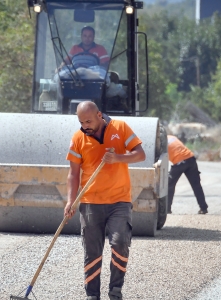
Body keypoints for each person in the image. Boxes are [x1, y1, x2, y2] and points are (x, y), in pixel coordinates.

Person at [65, 101, 145, 300]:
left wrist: (118, 158)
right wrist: (70, 200)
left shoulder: (120, 127)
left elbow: (140, 155)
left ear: (99, 115)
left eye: (89, 121)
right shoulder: (78, 138)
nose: (85, 126)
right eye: (81, 122)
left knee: (119, 243)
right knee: (92, 252)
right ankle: (92, 295)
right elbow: (73, 174)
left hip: (119, 201)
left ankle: (115, 291)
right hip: (91, 202)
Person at [166, 135, 208, 215]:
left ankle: (167, 209)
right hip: (191, 158)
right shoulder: (172, 137)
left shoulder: (160, 141)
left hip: (179, 162)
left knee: (170, 185)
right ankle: (203, 208)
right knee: (196, 185)